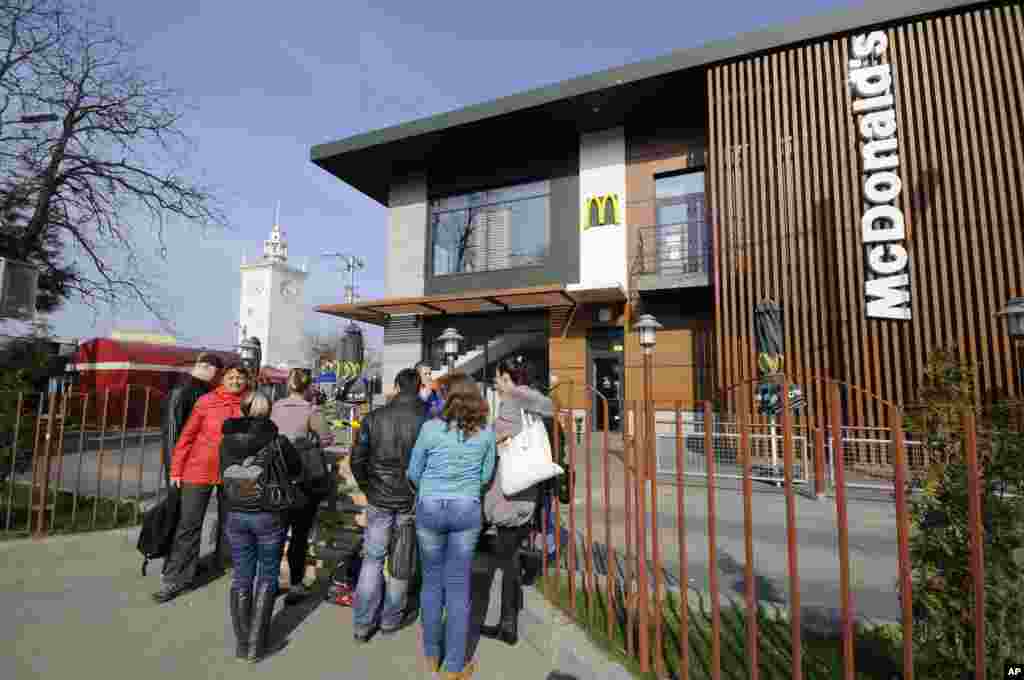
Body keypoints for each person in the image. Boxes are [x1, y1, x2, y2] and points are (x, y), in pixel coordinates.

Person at [407, 373, 496, 679]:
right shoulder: (486, 433)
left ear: (449, 398)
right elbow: (485, 476)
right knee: (458, 587)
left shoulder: (430, 428)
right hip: (465, 508)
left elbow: (414, 471)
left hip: (431, 506)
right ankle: (454, 666)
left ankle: (432, 655)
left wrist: (430, 487)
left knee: (431, 583)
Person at [153, 362, 249, 604]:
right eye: (231, 376)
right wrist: (176, 470)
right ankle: (175, 578)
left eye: (240, 377)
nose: (236, 381)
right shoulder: (206, 401)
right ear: (222, 378)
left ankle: (225, 563)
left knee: (232, 522)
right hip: (198, 470)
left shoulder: (249, 403)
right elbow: (186, 437)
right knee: (189, 524)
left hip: (233, 473)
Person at [221, 391, 303, 662]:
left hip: (235, 512)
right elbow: (296, 470)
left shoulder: (227, 440)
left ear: (243, 411)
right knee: (267, 575)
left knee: (241, 576)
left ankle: (243, 643)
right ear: (269, 412)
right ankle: (256, 645)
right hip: (269, 513)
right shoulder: (278, 441)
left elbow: (222, 472)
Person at [349, 368, 427, 642]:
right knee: (401, 560)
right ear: (419, 387)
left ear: (396, 387)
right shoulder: (430, 419)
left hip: (379, 497)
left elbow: (356, 459)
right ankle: (391, 619)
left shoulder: (374, 417)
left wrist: (368, 488)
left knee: (372, 559)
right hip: (411, 498)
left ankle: (362, 624)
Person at [482, 356, 554, 646]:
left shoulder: (511, 402)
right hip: (527, 489)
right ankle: (506, 620)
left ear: (507, 379)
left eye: (499, 378)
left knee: (506, 558)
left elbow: (496, 437)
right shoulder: (533, 403)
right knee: (509, 554)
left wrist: (483, 433)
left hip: (510, 494)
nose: (496, 383)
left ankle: (507, 623)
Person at [271, 368, 334, 604]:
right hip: (303, 480)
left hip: (277, 477)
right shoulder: (311, 410)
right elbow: (327, 439)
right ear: (308, 388)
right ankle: (296, 585)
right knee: (299, 535)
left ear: (289, 386)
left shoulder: (276, 407)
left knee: (277, 533)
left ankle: (270, 581)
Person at [160, 353, 223, 489]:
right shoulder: (182, 391)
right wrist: (173, 470)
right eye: (217, 373)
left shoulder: (204, 390)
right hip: (183, 463)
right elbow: (172, 432)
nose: (218, 378)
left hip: (198, 463)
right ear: (206, 367)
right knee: (177, 500)